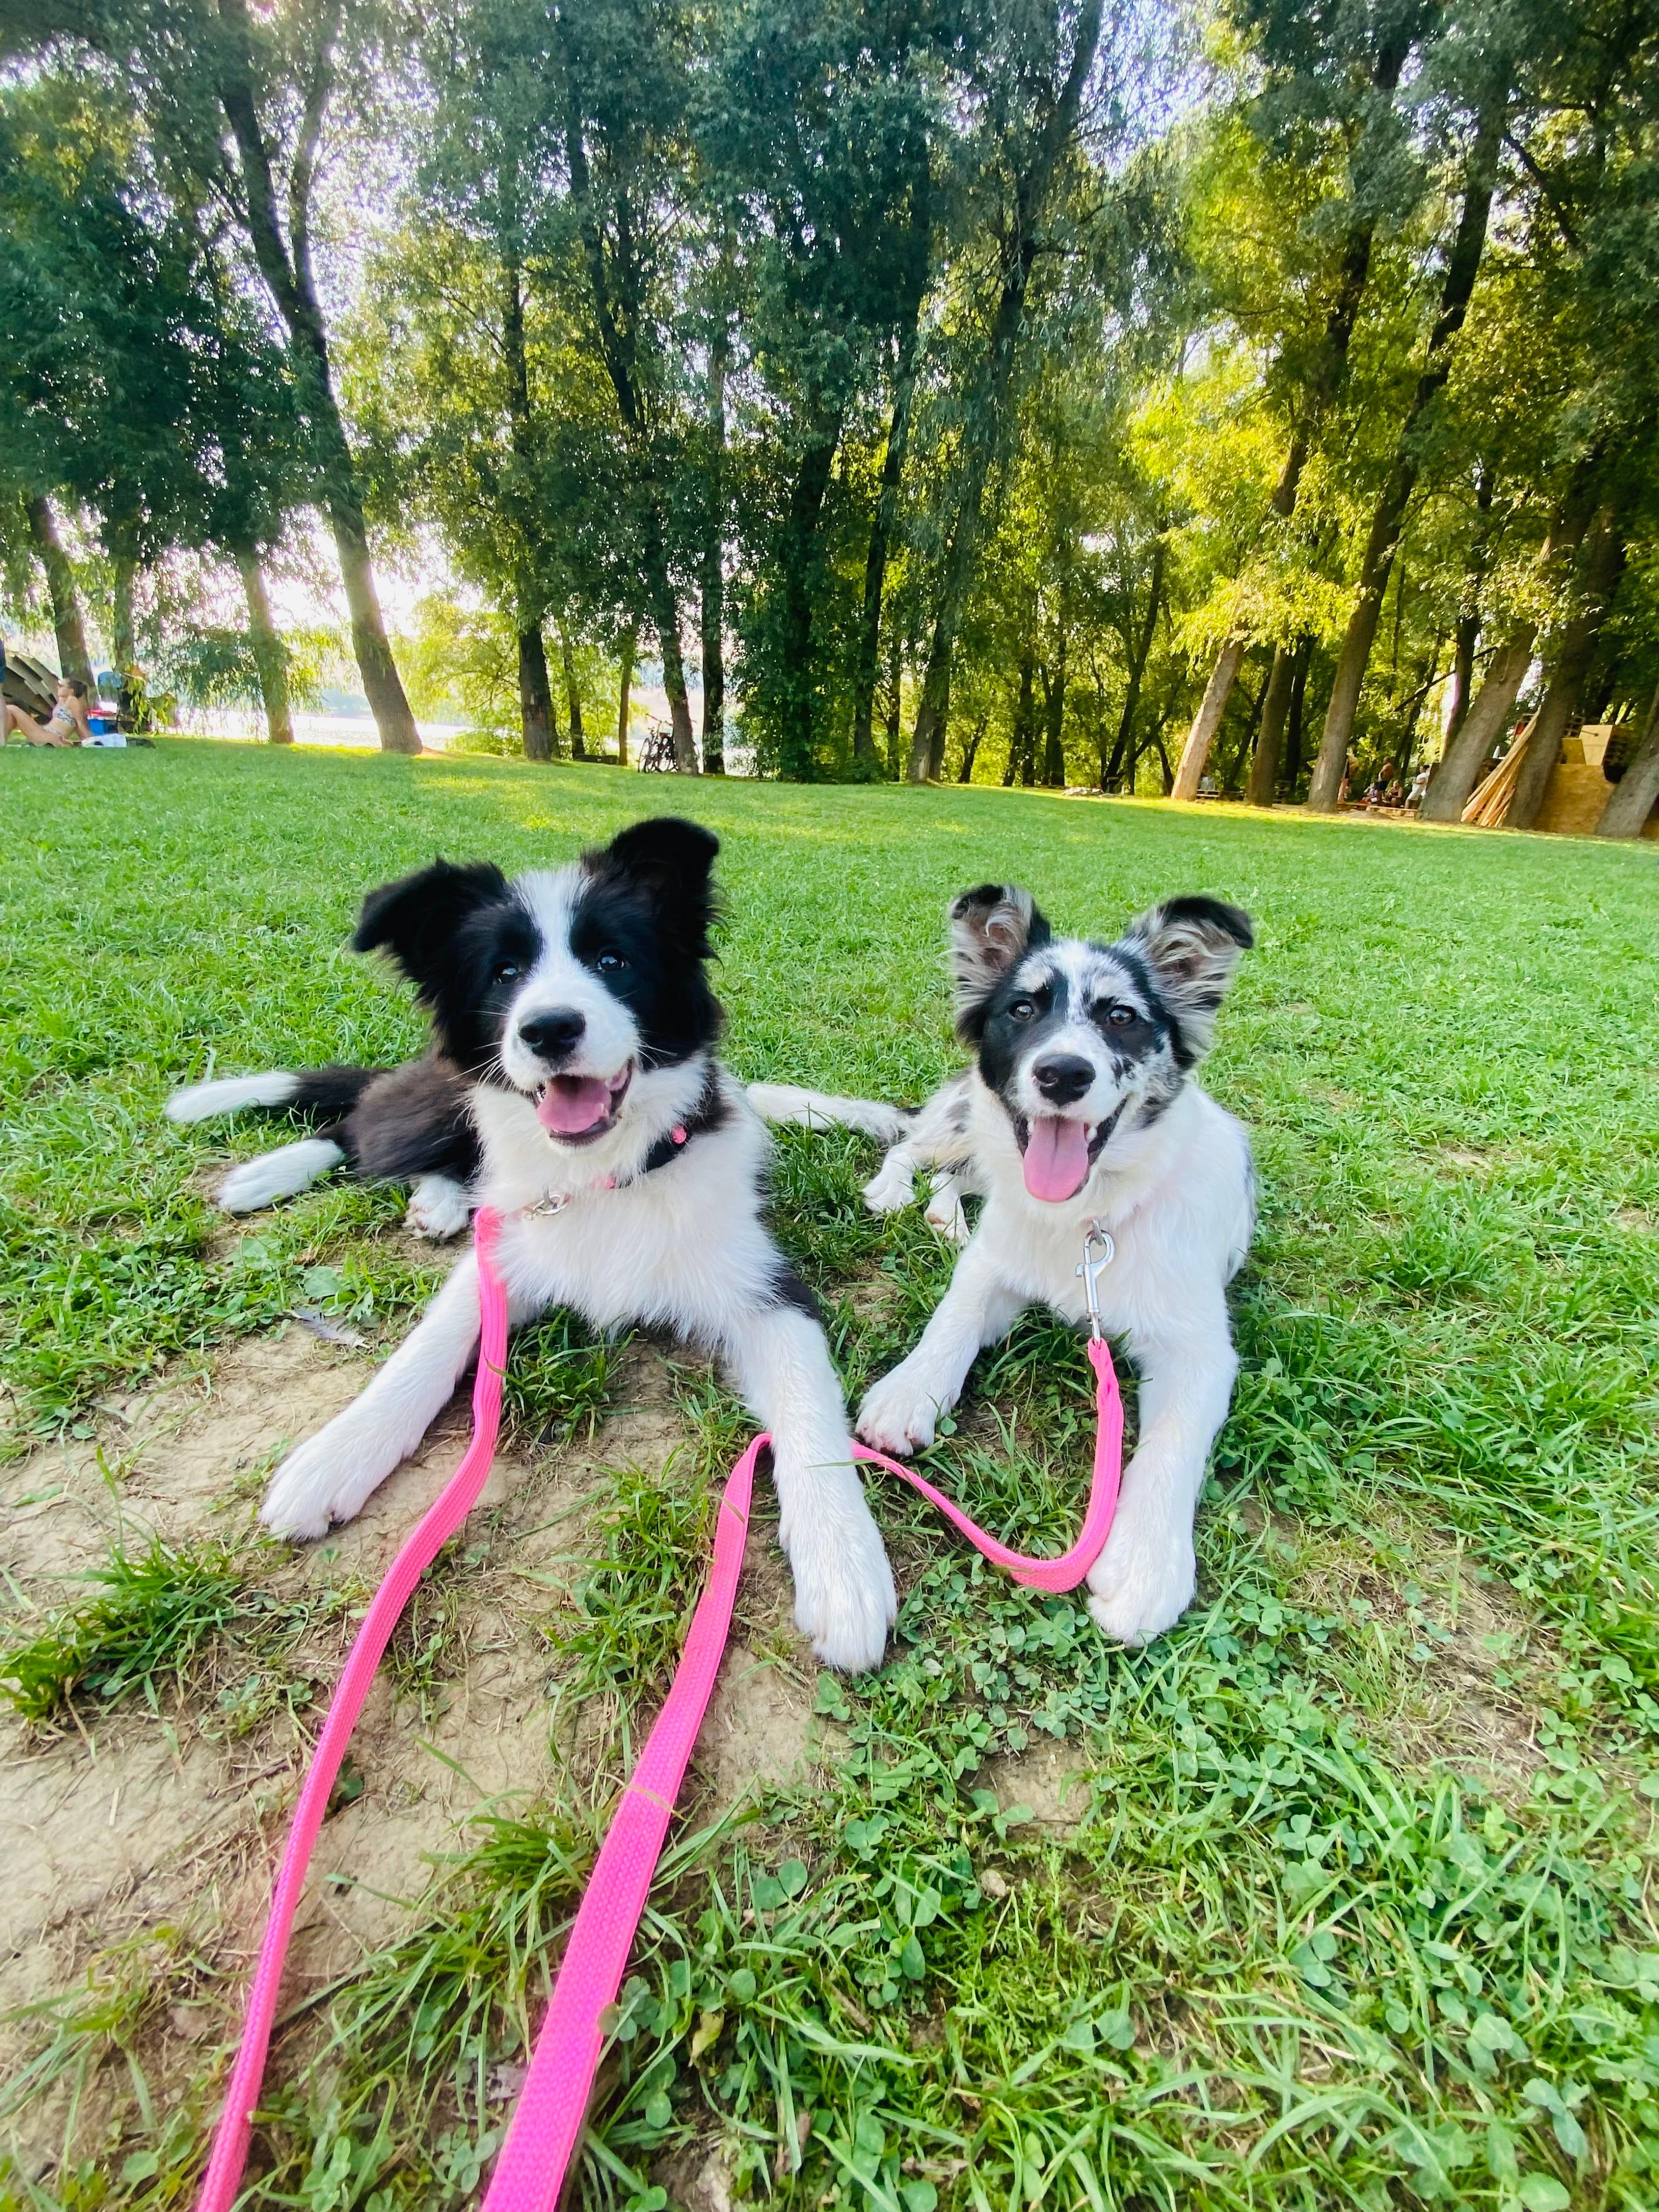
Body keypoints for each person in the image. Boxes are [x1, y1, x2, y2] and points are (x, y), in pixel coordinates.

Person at [3, 674, 97, 746]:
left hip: (50, 735)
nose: (57, 687)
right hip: (45, 731)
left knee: (12, 708)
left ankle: (1, 742)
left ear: (71, 691)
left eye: (61, 686)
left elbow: (80, 724)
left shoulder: (73, 701)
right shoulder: (63, 702)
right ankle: (2, 743)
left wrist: (91, 741)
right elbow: (74, 725)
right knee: (11, 716)